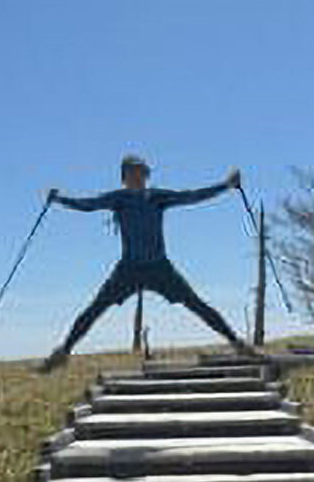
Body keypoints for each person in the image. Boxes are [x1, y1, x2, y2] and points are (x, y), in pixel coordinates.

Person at [37, 154, 257, 372]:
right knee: (95, 308)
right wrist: (59, 199)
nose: (137, 176)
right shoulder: (118, 198)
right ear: (124, 177)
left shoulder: (156, 197)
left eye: (141, 172)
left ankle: (237, 344)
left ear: (146, 175)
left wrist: (226, 185)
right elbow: (88, 204)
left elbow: (192, 196)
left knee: (195, 303)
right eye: (132, 172)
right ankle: (62, 353)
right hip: (128, 269)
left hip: (159, 267)